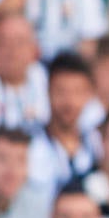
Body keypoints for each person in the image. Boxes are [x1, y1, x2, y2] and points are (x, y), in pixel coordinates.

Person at [26, 51, 98, 197]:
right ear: (47, 91)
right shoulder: (28, 143)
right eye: (61, 91)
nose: (69, 101)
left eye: (78, 92)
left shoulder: (98, 143)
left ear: (90, 94)